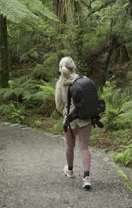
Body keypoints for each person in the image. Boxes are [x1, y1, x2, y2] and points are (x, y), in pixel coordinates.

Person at [55, 56, 92, 190]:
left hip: (70, 120)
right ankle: (86, 178)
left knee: (69, 145)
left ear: (61, 69)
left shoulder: (61, 83)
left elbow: (59, 105)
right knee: (84, 147)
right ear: (74, 67)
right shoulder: (84, 80)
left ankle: (69, 170)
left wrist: (67, 112)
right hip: (85, 118)